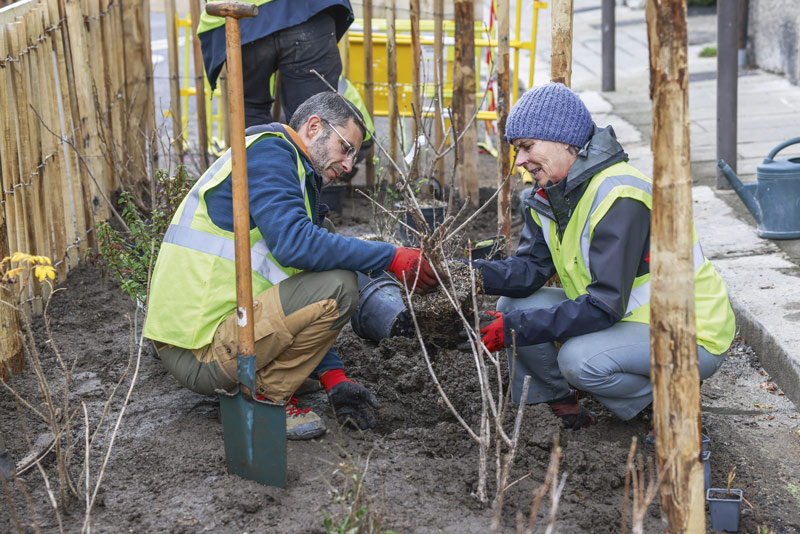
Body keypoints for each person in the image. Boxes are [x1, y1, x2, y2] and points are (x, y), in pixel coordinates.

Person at [143, 92, 437, 440]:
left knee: (326, 249)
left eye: (353, 156)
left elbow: (301, 280)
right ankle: (263, 397)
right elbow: (295, 246)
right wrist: (391, 256)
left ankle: (272, 378)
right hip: (200, 349)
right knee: (340, 285)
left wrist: (333, 377)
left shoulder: (287, 168)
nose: (348, 166)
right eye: (346, 148)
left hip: (207, 334)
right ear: (314, 127)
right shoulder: (270, 153)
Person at [469, 83, 736, 430]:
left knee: (579, 361)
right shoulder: (550, 196)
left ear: (563, 138)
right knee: (514, 306)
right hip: (628, 317)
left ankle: (668, 406)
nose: (519, 161)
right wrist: (462, 274)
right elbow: (529, 272)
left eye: (526, 147)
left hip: (688, 330)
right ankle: (560, 405)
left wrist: (515, 331)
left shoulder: (620, 195)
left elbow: (605, 304)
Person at [197, 0, 353, 128]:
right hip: (306, 10)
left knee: (251, 111)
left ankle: (257, 164)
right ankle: (306, 165)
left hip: (245, 20)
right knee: (313, 119)